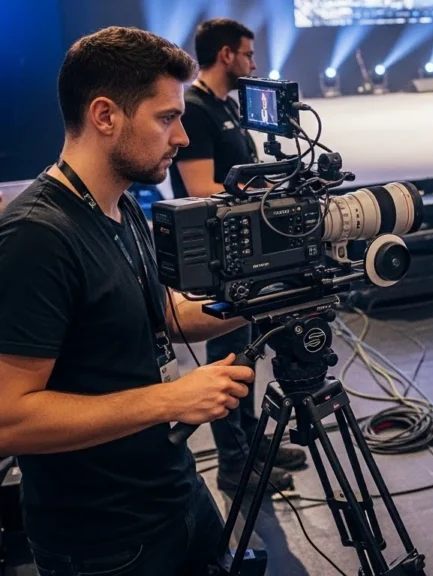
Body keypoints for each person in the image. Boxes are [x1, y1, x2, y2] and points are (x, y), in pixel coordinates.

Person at [0, 26, 259, 575]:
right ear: (104, 115)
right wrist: (172, 400)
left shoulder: (122, 204)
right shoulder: (35, 238)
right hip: (102, 539)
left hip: (173, 493)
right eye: (167, 117)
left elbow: (165, 313)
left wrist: (260, 299)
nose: (183, 136)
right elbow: (8, 419)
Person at [170, 18, 307, 493]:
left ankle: (252, 444)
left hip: (241, 248)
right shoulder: (194, 108)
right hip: (213, 254)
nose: (253, 63)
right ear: (227, 54)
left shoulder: (226, 106)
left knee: (246, 349)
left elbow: (237, 179)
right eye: (248, 54)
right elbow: (199, 187)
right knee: (228, 357)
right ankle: (233, 464)